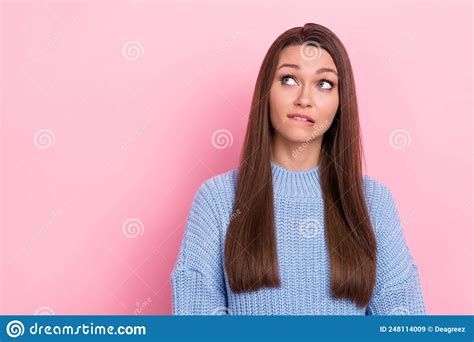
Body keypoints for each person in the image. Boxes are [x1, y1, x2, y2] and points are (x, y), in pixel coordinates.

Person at [171, 23, 426, 315]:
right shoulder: (217, 199)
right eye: (289, 79)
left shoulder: (374, 203)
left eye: (324, 84)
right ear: (266, 91)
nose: (304, 99)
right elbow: (195, 319)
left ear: (341, 102)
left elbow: (403, 321)